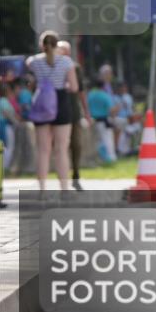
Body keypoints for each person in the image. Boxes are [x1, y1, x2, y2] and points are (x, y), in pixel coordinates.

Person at [26, 31, 80, 192]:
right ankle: (64, 189)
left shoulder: (34, 61)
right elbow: (74, 87)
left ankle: (42, 189)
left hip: (42, 105)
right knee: (61, 150)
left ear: (41, 45)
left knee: (43, 150)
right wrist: (65, 85)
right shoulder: (66, 62)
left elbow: (28, 68)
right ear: (57, 45)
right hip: (61, 104)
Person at [56, 40, 92, 190]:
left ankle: (75, 173)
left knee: (76, 144)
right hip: (57, 112)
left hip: (73, 112)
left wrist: (86, 112)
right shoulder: (52, 66)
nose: (62, 53)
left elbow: (81, 91)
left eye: (65, 50)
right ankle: (62, 176)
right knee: (60, 146)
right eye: (60, 50)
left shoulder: (75, 68)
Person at [87, 81, 118, 163]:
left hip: (92, 121)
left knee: (96, 140)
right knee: (107, 139)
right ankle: (111, 157)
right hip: (103, 120)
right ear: (103, 86)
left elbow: (87, 107)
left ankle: (99, 157)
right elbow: (111, 109)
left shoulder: (90, 95)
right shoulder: (105, 96)